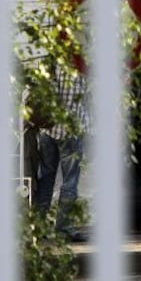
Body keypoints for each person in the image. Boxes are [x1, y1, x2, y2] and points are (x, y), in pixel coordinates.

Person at [33, 66, 90, 242]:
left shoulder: (51, 61)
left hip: (47, 129)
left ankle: (39, 227)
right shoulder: (82, 64)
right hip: (71, 131)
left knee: (46, 178)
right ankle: (63, 228)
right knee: (70, 181)